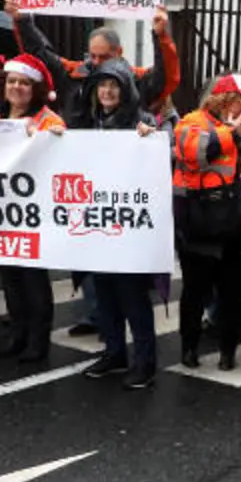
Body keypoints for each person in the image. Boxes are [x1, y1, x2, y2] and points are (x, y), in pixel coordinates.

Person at [75, 59, 162, 389]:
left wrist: (153, 138)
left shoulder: (143, 121)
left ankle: (145, 362)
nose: (107, 91)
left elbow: (164, 153)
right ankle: (114, 353)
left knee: (132, 297)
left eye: (114, 85)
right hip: (99, 224)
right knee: (105, 295)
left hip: (129, 229)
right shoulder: (87, 122)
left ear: (126, 91)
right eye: (102, 85)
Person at [0, 54, 65, 363]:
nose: (16, 87)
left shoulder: (48, 119)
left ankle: (38, 340)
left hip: (34, 213)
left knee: (33, 279)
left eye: (24, 83)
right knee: (10, 278)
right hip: (2, 211)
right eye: (12, 81)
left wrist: (47, 139)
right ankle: (17, 335)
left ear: (35, 89)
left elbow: (61, 151)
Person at [174, 73, 241, 372]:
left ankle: (227, 351)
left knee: (232, 291)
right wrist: (230, 133)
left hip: (231, 219)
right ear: (224, 99)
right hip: (199, 219)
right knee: (195, 291)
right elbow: (194, 154)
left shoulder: (239, 126)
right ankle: (189, 348)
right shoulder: (192, 121)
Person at [4, 0, 179, 126]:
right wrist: (22, 21)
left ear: (119, 52)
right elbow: (40, 55)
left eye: (104, 57)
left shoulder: (136, 79)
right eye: (92, 56)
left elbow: (165, 77)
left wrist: (160, 36)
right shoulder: (74, 74)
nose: (96, 62)